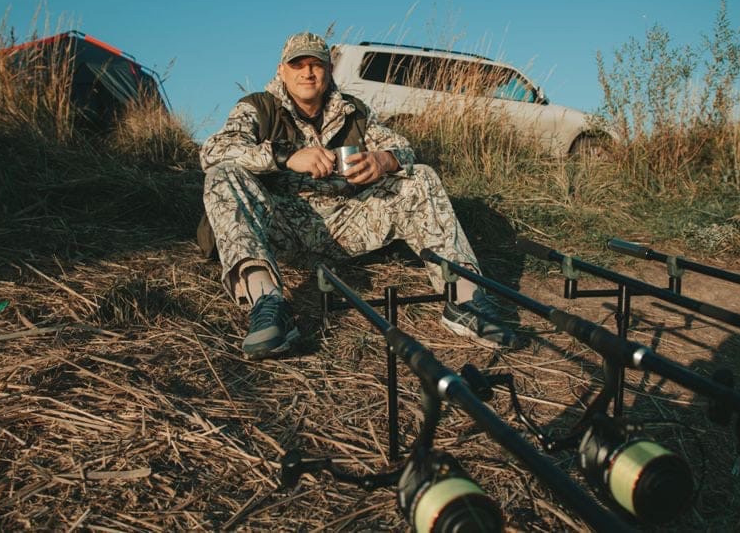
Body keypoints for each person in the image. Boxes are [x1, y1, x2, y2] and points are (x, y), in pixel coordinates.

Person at [199, 31, 518, 359]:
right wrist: (284, 157)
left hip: (348, 222)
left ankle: (466, 302)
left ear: (329, 70)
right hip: (280, 228)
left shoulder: (356, 111)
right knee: (223, 174)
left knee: (421, 176)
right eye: (298, 64)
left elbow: (404, 149)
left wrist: (384, 160)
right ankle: (268, 305)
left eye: (316, 65)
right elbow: (214, 150)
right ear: (282, 70)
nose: (307, 72)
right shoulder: (258, 107)